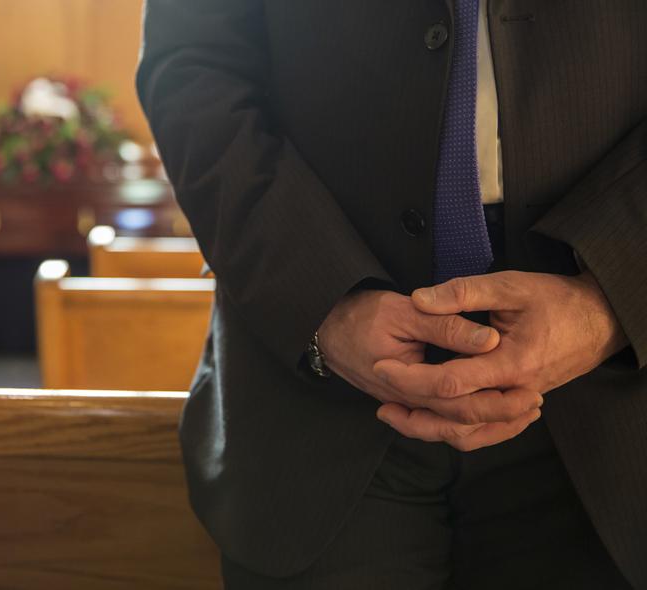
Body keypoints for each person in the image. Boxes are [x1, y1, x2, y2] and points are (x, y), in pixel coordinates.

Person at [136, 1, 647, 588]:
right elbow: (193, 67)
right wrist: (320, 299)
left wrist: (606, 301)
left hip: (615, 402)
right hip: (311, 401)